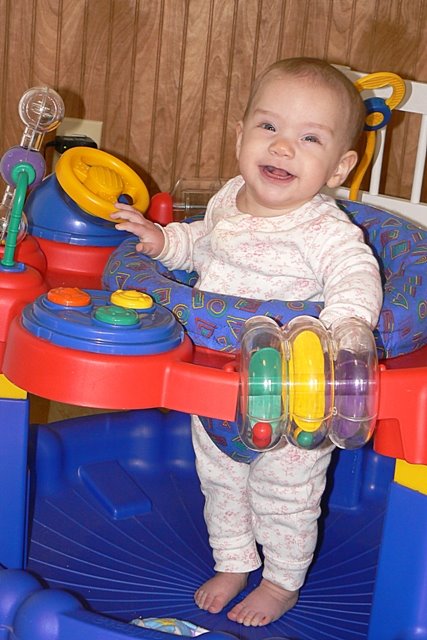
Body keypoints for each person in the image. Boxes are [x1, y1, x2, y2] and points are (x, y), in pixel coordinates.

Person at [111, 57, 383, 627]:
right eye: (269, 126)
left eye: (309, 138)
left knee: (288, 493)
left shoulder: (324, 229)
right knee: (221, 479)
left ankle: (282, 580)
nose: (282, 147)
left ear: (339, 167)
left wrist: (343, 328)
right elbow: (202, 244)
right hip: (218, 383)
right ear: (240, 136)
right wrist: (163, 242)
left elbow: (356, 273)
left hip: (294, 388)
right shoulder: (229, 198)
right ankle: (234, 561)